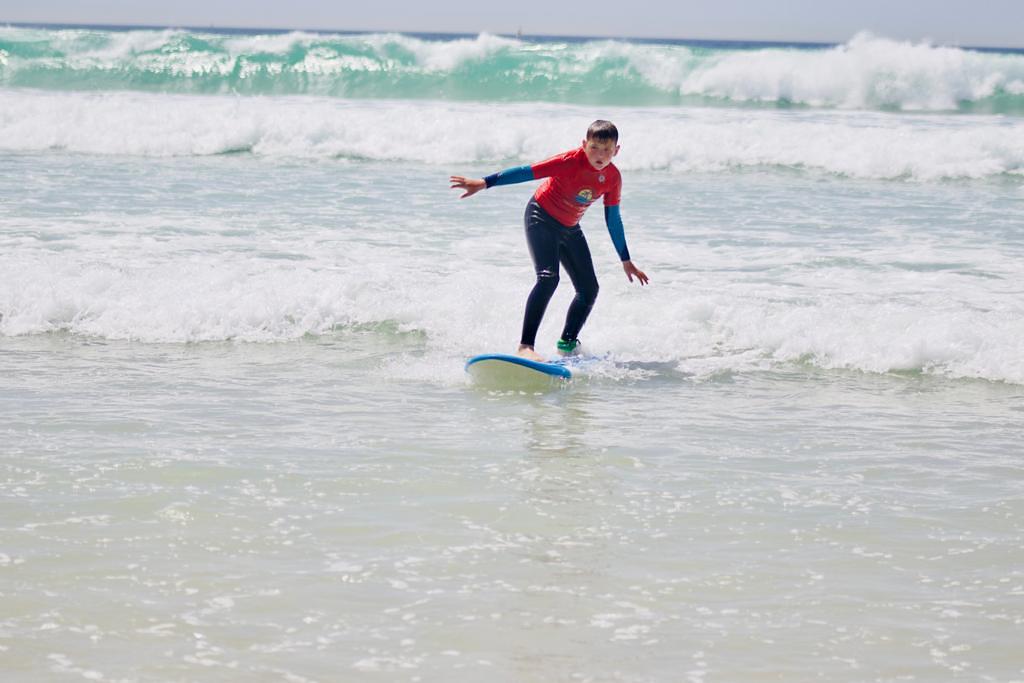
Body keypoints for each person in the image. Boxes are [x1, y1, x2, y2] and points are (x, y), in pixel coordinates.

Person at [450, 120, 649, 362]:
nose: (600, 155)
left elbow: (613, 219)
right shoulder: (569, 161)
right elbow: (528, 171)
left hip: (570, 227)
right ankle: (525, 346)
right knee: (548, 278)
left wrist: (625, 260)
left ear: (617, 150)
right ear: (584, 145)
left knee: (589, 289)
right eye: (595, 147)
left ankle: (567, 344)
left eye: (607, 149)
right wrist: (485, 182)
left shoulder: (613, 178)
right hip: (541, 217)